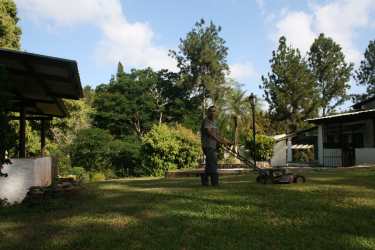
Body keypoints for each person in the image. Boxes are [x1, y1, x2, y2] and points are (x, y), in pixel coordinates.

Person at [200, 105, 231, 186]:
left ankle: (204, 180)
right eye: (211, 111)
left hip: (213, 146)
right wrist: (219, 141)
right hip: (207, 145)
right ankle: (215, 182)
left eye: (214, 111)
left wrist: (226, 141)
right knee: (213, 162)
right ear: (208, 112)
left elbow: (218, 134)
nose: (213, 112)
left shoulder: (215, 122)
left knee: (210, 163)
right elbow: (209, 133)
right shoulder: (207, 120)